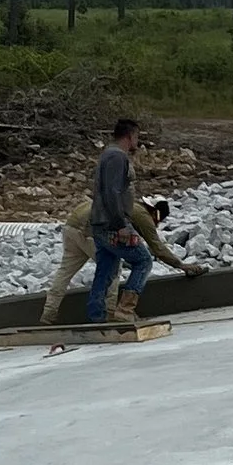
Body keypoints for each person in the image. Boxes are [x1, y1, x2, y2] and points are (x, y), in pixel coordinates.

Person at [41, 192, 190, 322]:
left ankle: (48, 313)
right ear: (155, 213)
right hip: (89, 231)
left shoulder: (129, 204)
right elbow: (157, 247)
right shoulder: (142, 215)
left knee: (65, 272)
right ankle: (112, 312)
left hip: (71, 227)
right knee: (112, 267)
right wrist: (181, 265)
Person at [85, 118, 151, 323]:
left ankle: (97, 315)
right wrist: (121, 225)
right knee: (143, 261)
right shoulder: (117, 157)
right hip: (112, 224)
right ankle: (125, 309)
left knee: (105, 268)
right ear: (129, 136)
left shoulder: (107, 154)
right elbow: (112, 193)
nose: (137, 142)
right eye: (136, 137)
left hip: (100, 223)